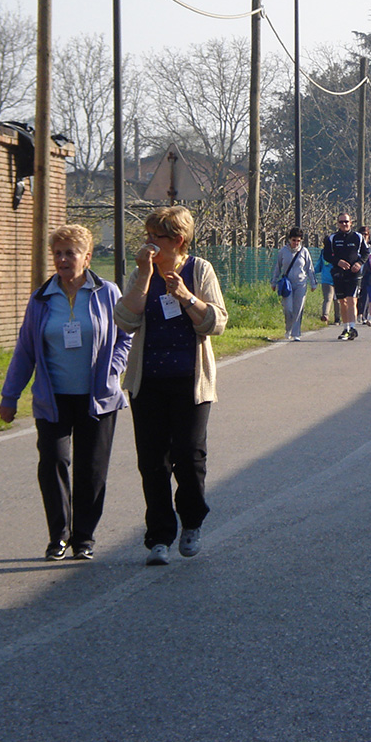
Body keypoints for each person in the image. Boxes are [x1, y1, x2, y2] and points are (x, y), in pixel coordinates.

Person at [0, 224, 131, 562]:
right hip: (53, 397)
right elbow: (25, 350)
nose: (62, 259)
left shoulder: (107, 293)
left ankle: (84, 537)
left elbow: (126, 336)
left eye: (70, 253)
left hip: (97, 397)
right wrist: (9, 396)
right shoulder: (41, 299)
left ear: (87, 257)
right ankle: (58, 535)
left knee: (91, 469)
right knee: (53, 462)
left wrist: (113, 368)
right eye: (57, 253)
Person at [115, 207, 228, 566]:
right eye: (147, 236)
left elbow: (216, 322)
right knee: (152, 461)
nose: (149, 243)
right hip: (147, 381)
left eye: (156, 237)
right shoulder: (141, 272)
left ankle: (191, 522)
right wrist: (144, 277)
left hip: (190, 382)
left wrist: (186, 296)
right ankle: (159, 537)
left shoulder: (199, 270)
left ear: (177, 240)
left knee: (189, 456)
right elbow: (125, 320)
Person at [322, 212, 369, 341]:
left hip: (354, 274)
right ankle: (346, 328)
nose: (344, 224)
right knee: (342, 301)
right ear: (338, 224)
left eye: (346, 221)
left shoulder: (358, 237)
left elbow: (366, 252)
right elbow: (326, 255)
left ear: (351, 223)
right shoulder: (332, 238)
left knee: (351, 300)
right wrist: (338, 262)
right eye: (341, 222)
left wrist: (359, 263)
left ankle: (352, 328)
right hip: (339, 273)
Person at [272, 227, 315, 341]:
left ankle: (296, 333)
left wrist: (313, 283)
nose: (296, 243)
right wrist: (274, 281)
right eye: (294, 240)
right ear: (289, 239)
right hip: (287, 284)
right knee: (288, 308)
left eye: (298, 241)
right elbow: (277, 267)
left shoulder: (304, 252)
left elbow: (309, 268)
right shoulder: (283, 251)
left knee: (298, 309)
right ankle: (288, 329)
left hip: (301, 283)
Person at [316, 246, 335, 324]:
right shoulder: (324, 252)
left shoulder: (324, 253)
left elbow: (319, 265)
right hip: (328, 279)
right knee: (330, 298)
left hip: (335, 279)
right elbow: (319, 264)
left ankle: (334, 317)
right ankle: (326, 316)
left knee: (331, 299)